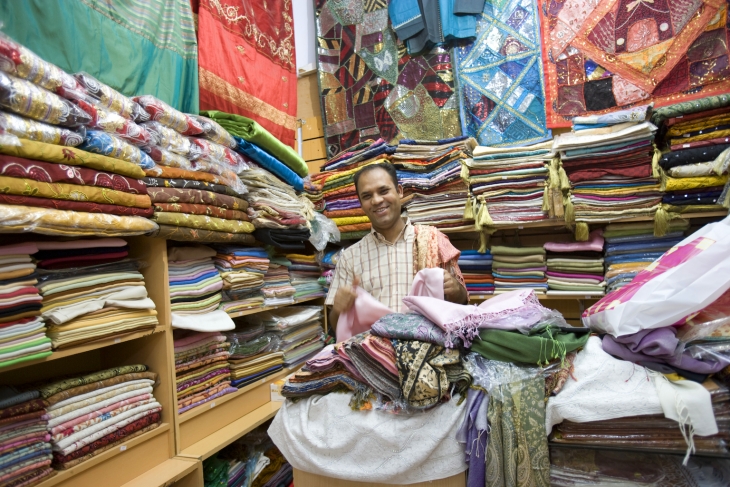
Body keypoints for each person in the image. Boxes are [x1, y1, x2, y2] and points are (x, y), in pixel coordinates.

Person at [325, 162, 468, 328]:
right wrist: (338, 310)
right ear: (361, 203)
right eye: (367, 196)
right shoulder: (350, 258)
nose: (377, 200)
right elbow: (336, 326)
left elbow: (462, 302)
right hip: (373, 351)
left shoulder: (434, 241)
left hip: (428, 348)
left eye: (384, 191)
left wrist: (455, 290)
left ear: (399, 191)